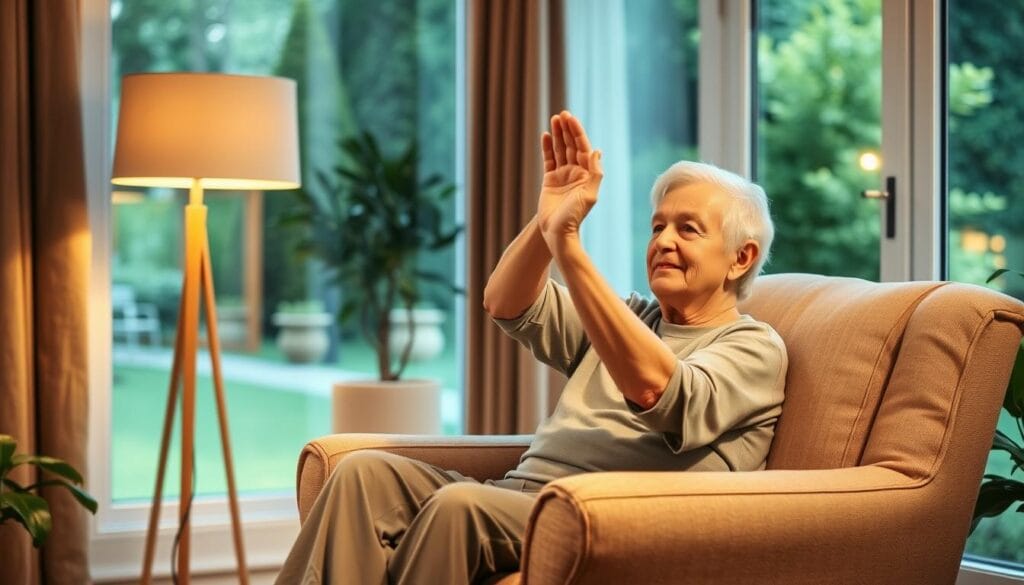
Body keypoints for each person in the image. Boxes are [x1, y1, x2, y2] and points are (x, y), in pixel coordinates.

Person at [274, 111, 787, 585]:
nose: (662, 241)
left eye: (687, 229)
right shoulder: (630, 317)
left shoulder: (752, 347)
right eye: (657, 226)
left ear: (741, 258)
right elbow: (505, 301)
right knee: (364, 473)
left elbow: (659, 391)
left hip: (604, 518)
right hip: (518, 498)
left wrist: (569, 244)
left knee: (459, 507)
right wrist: (547, 226)